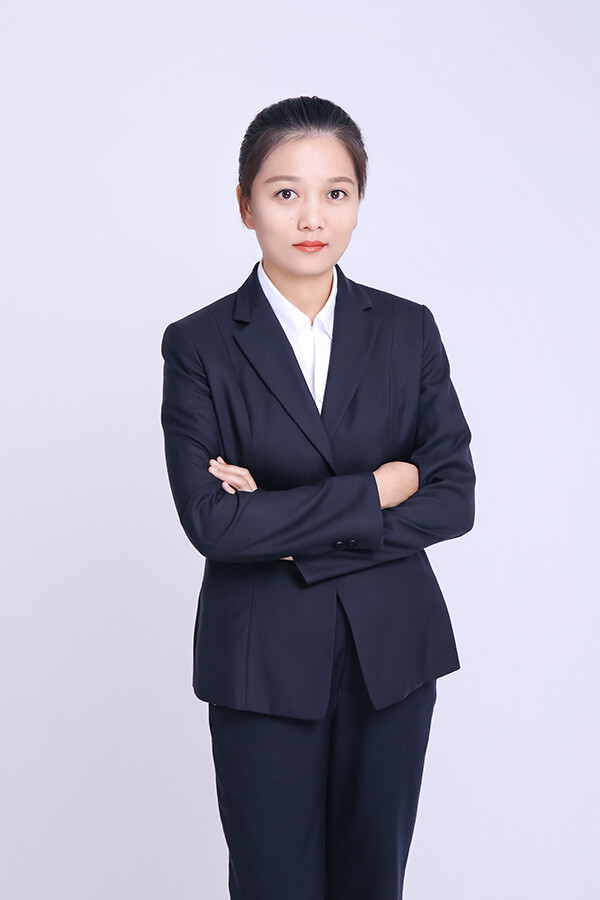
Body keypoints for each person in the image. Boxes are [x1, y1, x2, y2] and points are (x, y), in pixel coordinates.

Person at [160, 95, 476, 900]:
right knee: (273, 884)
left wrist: (282, 522)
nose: (313, 217)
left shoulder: (408, 330)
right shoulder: (198, 345)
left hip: (393, 655)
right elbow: (214, 524)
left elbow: (453, 498)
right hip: (262, 658)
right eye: (285, 192)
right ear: (246, 204)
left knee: (374, 881)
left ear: (359, 200)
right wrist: (377, 488)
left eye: (336, 192)